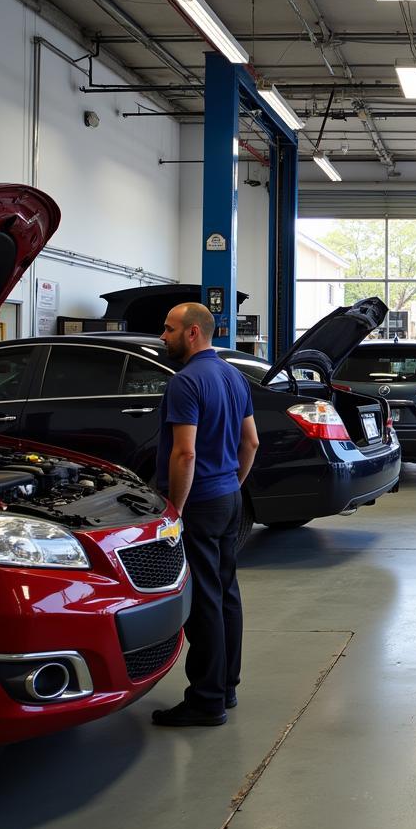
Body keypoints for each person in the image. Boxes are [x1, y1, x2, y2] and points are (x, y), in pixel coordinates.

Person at [151, 303, 259, 728]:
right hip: (229, 496)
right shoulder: (234, 376)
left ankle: (206, 699)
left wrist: (175, 510)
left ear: (192, 332)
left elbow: (185, 452)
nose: (163, 336)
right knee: (226, 591)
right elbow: (250, 443)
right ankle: (227, 686)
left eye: (168, 328)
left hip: (199, 503)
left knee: (204, 601)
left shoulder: (186, 383)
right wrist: (233, 481)